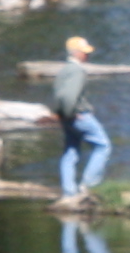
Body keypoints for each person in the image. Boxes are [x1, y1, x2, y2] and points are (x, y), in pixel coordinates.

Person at [45, 34, 111, 203]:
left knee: (70, 152)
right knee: (103, 146)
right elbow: (68, 96)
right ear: (77, 53)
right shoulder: (77, 71)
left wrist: (61, 114)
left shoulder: (64, 70)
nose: (87, 55)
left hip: (66, 118)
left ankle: (69, 191)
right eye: (85, 52)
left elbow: (59, 95)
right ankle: (88, 185)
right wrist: (71, 113)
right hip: (79, 116)